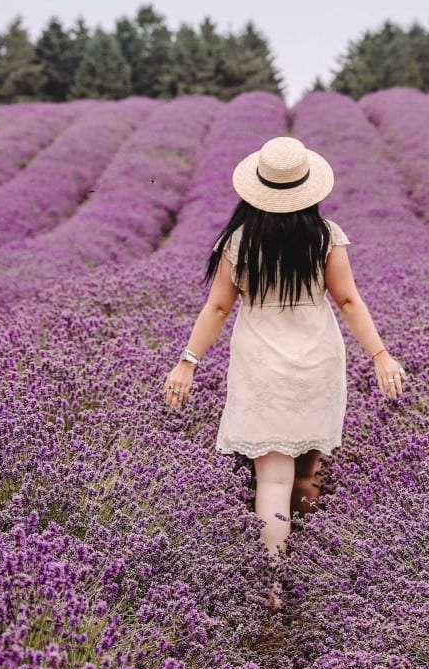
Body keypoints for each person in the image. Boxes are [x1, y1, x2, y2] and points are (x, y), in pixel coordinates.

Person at [163, 135, 406, 609]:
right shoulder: (325, 236)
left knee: (271, 481)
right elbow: (349, 300)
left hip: (262, 364)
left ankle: (272, 586)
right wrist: (380, 355)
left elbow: (217, 307)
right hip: (317, 361)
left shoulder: (239, 242)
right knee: (308, 475)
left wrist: (186, 363)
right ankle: (310, 571)